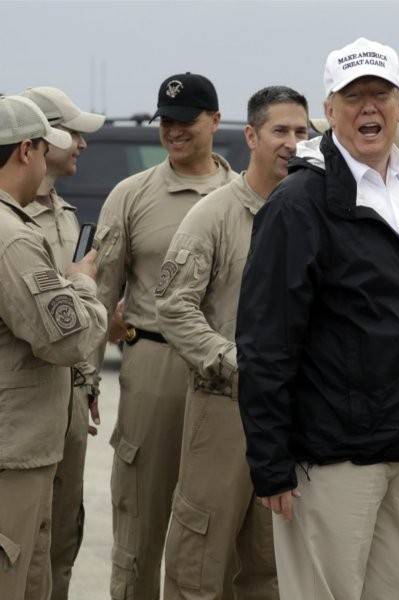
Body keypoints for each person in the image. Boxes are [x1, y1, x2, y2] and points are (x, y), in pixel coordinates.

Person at [236, 37, 399, 600]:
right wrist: (270, 461)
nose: (368, 108)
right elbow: (264, 341)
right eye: (353, 96)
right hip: (331, 459)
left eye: (380, 94)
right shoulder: (299, 202)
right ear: (328, 109)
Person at [155, 85, 309, 600]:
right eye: (279, 131)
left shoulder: (313, 215)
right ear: (251, 136)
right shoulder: (214, 215)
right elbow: (174, 306)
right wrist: (236, 363)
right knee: (198, 560)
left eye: (301, 132)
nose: (291, 142)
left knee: (271, 563)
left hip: (292, 416)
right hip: (224, 407)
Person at [92, 73, 235, 600]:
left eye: (186, 121)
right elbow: (102, 294)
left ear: (215, 122)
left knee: (217, 524)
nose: (174, 132)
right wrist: (88, 380)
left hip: (227, 372)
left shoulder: (241, 196)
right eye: (166, 122)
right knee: (141, 519)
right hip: (153, 364)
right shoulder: (131, 195)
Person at [0, 95, 106, 600]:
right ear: (26, 151)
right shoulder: (12, 238)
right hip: (11, 449)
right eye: (45, 148)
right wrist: (83, 286)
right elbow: (66, 338)